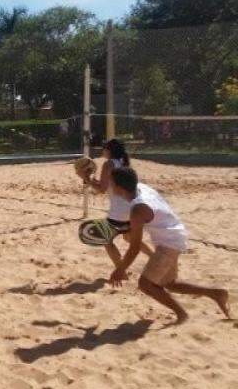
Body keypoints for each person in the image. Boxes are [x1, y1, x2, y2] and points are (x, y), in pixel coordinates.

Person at [108, 167, 231, 324]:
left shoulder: (138, 209)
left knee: (145, 284)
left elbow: (135, 247)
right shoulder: (140, 188)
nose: (110, 186)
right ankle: (215, 293)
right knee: (169, 284)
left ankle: (182, 314)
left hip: (169, 242)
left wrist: (120, 269)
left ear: (119, 187)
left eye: (111, 183)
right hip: (175, 233)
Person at [80, 139, 153, 267]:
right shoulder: (124, 163)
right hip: (133, 209)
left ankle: (120, 270)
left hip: (119, 213)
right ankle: (154, 257)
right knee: (130, 238)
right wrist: (90, 179)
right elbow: (107, 185)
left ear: (109, 150)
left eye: (104, 148)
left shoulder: (108, 164)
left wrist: (85, 178)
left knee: (106, 240)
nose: (103, 150)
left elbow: (101, 189)